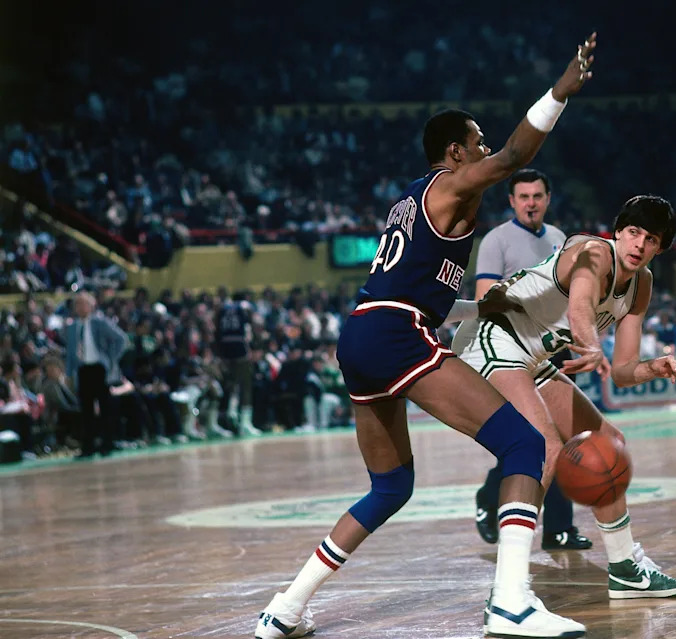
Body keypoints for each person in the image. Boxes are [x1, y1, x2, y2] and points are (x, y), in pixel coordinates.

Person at [253, 33, 598, 639]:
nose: (485, 149)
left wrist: (472, 304)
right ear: (453, 154)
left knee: (390, 486)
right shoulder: (450, 185)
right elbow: (517, 156)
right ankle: (512, 602)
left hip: (362, 334)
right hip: (393, 334)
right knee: (523, 446)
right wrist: (558, 94)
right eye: (477, 143)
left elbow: (408, 290)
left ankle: (285, 606)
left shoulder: (414, 203)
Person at [453, 194, 676, 600]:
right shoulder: (595, 253)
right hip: (491, 334)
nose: (638, 244)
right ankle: (510, 592)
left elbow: (622, 370)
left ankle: (625, 567)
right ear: (618, 232)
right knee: (543, 447)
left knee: (608, 443)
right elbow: (581, 306)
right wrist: (590, 346)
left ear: (660, 247)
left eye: (650, 239)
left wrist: (653, 367)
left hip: (531, 353)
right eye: (633, 232)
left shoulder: (641, 285)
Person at [468, 168, 591, 550]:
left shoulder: (558, 239)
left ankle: (558, 528)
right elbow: (485, 300)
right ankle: (491, 497)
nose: (531, 203)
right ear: (511, 201)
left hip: (553, 346)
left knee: (566, 436)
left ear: (548, 199)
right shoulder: (495, 241)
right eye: (523, 197)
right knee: (537, 438)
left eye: (537, 196)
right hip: (510, 350)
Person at [63, 291, 128, 458]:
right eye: (77, 304)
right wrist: (69, 373)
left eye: (84, 304)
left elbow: (121, 339)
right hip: (83, 369)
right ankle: (88, 446)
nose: (80, 307)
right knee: (86, 410)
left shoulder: (100, 322)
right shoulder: (72, 327)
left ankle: (107, 443)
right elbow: (70, 352)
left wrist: (110, 358)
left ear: (91, 306)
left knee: (105, 407)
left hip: (100, 369)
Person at [215, 291, 261, 436]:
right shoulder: (245, 306)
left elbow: (216, 329)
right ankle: (245, 423)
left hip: (225, 348)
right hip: (240, 346)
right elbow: (254, 326)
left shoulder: (222, 308)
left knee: (231, 383)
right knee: (245, 384)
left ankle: (231, 413)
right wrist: (255, 346)